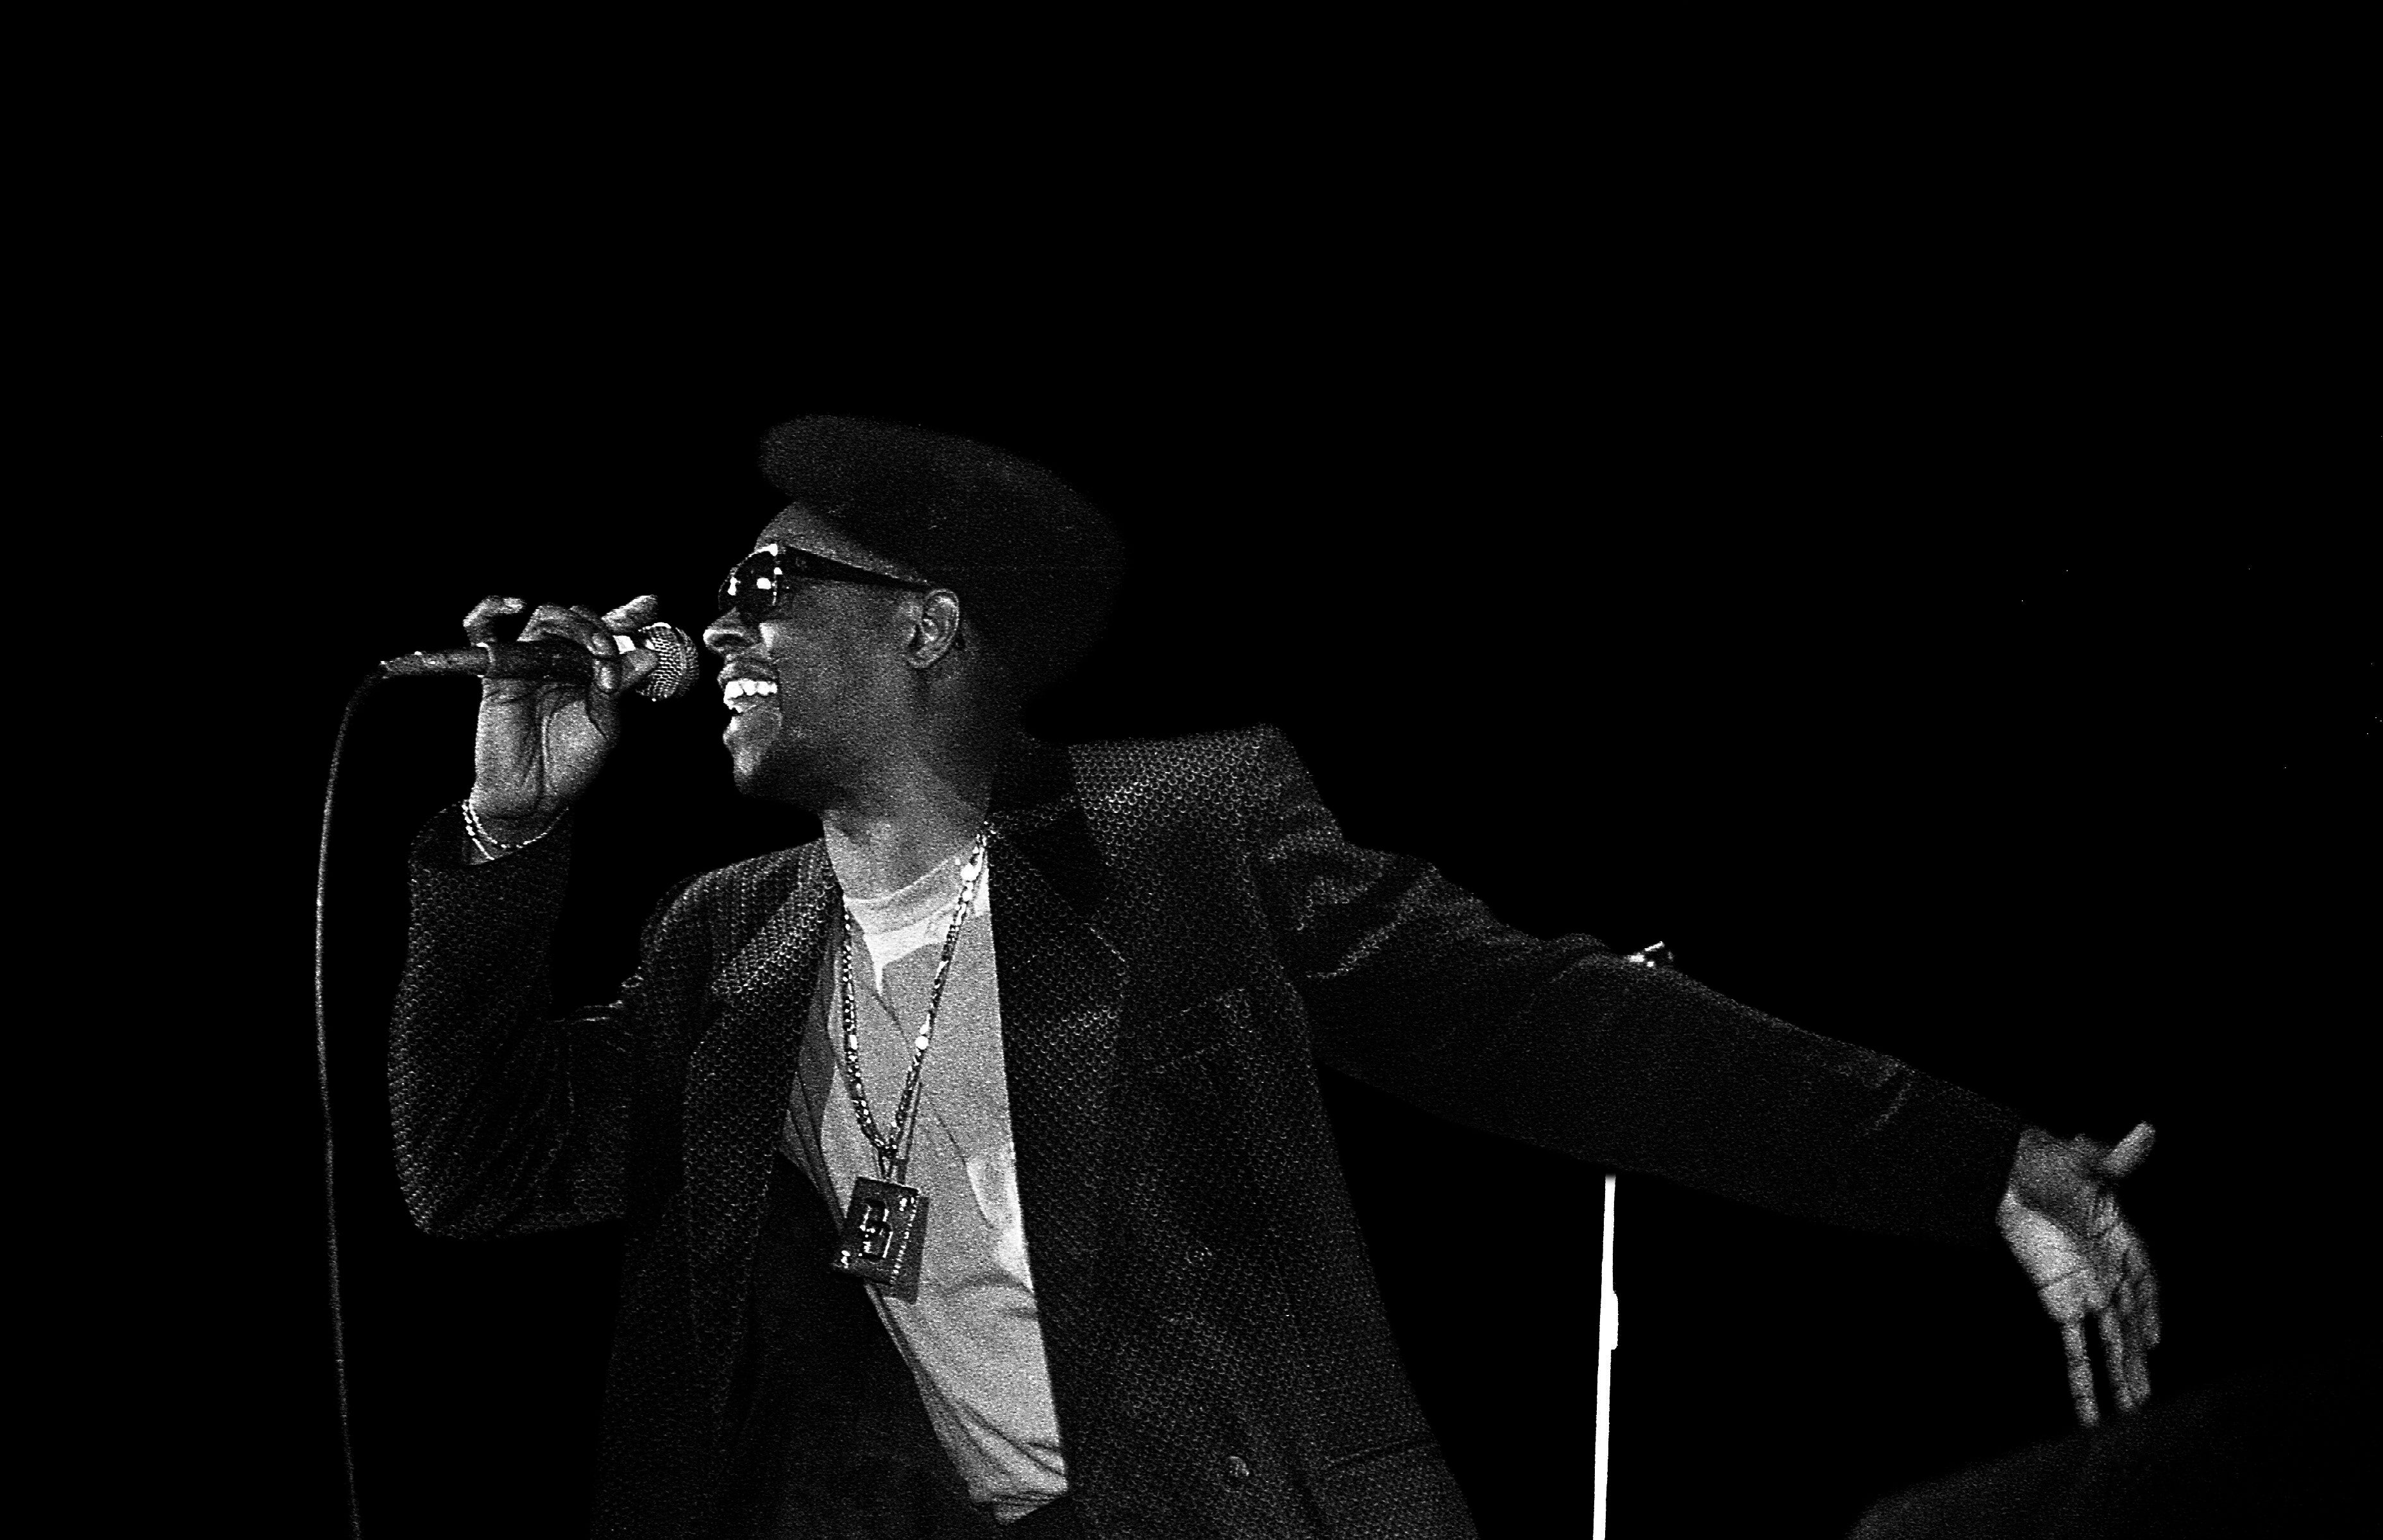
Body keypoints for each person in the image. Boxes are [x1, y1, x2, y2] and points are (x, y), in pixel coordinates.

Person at [391, 415, 2160, 1539]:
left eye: (763, 582)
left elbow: (1545, 1023)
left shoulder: (1182, 832)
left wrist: (1962, 1152)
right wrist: (504, 840)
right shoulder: (726, 945)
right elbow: (475, 1168)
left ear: (922, 622)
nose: (716, 631)